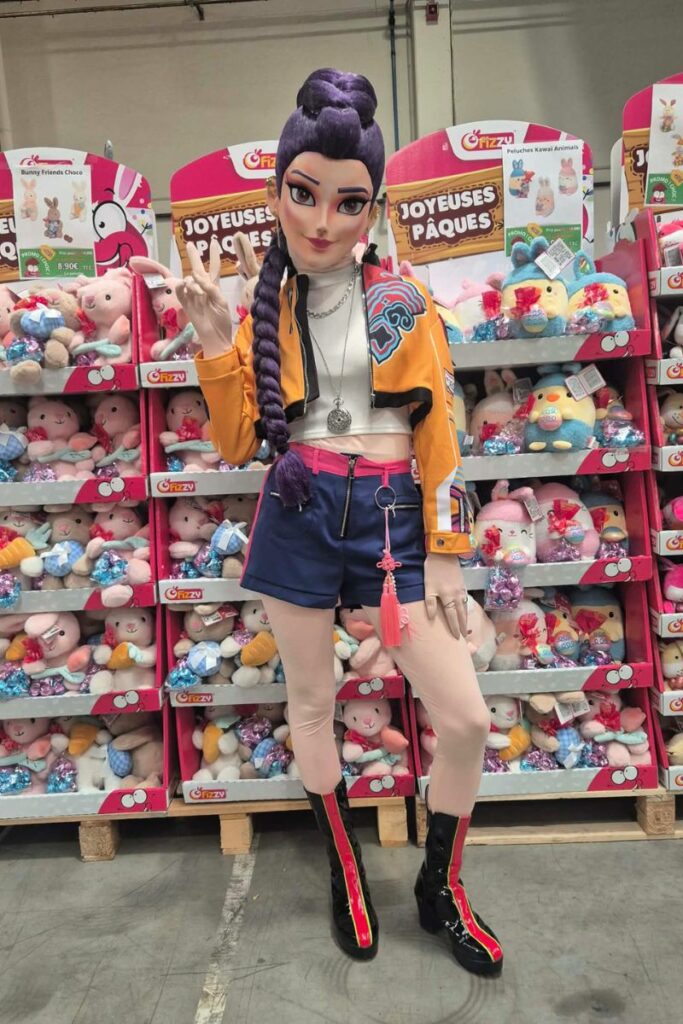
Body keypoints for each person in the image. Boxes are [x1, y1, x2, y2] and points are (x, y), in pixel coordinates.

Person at [177, 67, 503, 977]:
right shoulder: (266, 309)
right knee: (313, 704)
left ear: (373, 208)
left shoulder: (403, 301)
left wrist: (446, 551)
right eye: (304, 193)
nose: (322, 220)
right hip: (298, 509)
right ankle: (345, 868)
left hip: (395, 521)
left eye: (347, 201)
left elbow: (439, 427)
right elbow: (237, 440)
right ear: (276, 194)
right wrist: (215, 342)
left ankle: (439, 886)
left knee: (466, 720)